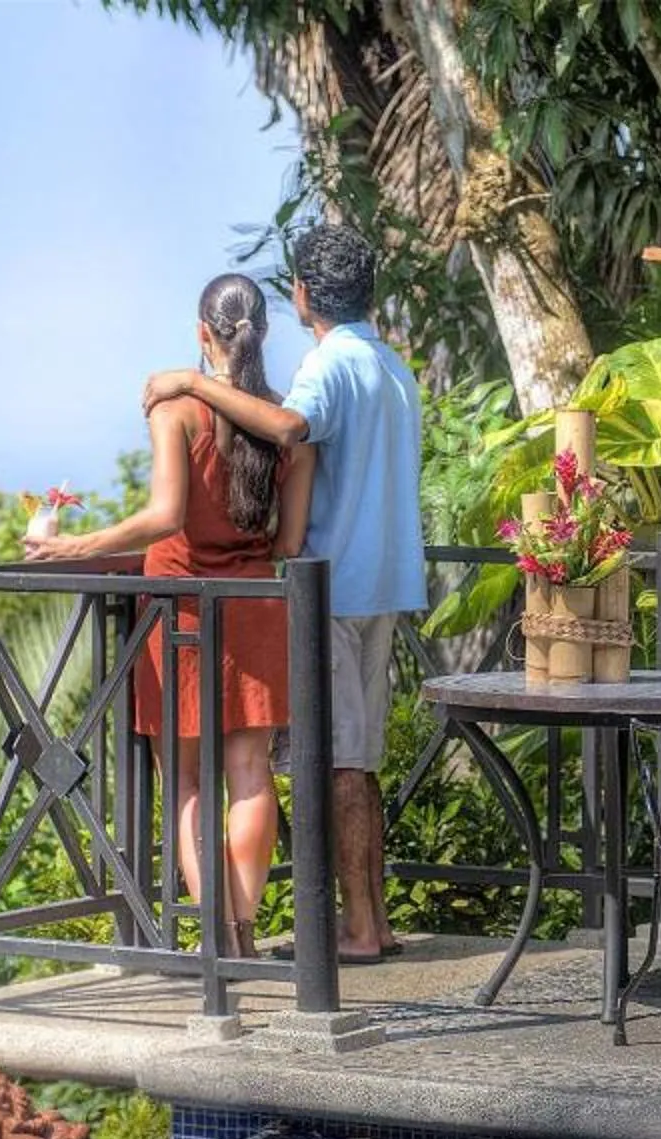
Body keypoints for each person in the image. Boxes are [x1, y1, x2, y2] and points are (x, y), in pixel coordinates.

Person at [140, 225, 424, 964]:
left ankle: (348, 929)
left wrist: (196, 382)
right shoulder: (394, 367)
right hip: (385, 582)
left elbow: (290, 430)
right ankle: (367, 920)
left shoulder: (329, 367)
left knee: (337, 763)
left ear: (302, 295)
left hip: (329, 587)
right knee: (350, 762)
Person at [27, 272, 314, 959]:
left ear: (201, 333)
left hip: (181, 610)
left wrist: (71, 546)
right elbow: (292, 542)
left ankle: (219, 940)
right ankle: (245, 929)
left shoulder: (177, 411)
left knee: (185, 779)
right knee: (250, 773)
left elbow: (163, 517)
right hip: (254, 606)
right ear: (263, 333)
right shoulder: (284, 422)